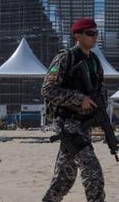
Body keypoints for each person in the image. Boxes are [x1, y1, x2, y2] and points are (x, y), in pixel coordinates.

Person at [41, 17, 107, 202]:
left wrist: (101, 117)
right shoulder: (65, 58)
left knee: (64, 179)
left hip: (83, 125)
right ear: (77, 36)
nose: (95, 37)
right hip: (67, 124)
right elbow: (47, 89)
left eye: (96, 33)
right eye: (90, 33)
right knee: (93, 173)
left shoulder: (95, 61)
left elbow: (101, 93)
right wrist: (79, 99)